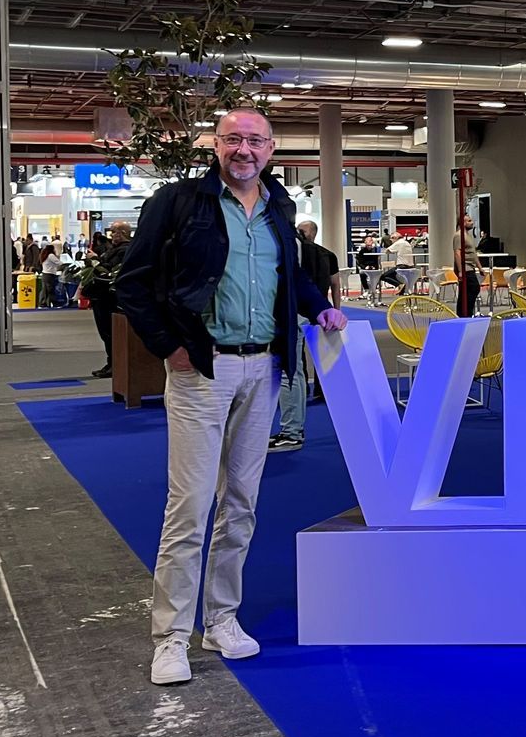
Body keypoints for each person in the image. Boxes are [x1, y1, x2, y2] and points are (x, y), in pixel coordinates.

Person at [116, 108, 345, 686]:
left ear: (271, 150)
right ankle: (171, 637)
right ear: (215, 145)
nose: (245, 150)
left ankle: (221, 619)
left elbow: (292, 278)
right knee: (190, 507)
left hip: (263, 368)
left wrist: (319, 307)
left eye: (255, 141)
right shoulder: (179, 202)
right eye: (234, 139)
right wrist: (168, 345)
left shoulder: (279, 207)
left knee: (241, 502)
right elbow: (133, 283)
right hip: (202, 368)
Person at [272, 219, 341, 452]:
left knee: (289, 371)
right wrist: (331, 308)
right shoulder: (324, 253)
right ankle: (294, 428)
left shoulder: (291, 247)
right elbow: (333, 283)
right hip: (310, 313)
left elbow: (297, 281)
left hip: (292, 314)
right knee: (296, 369)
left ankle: (291, 431)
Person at [85, 222, 132, 378]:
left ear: (122, 233)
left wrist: (95, 259)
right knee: (106, 333)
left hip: (109, 297)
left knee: (110, 333)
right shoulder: (114, 249)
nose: (111, 235)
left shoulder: (124, 250)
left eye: (113, 232)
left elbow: (109, 270)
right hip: (102, 295)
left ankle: (115, 364)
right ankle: (112, 363)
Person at [455, 214, 484, 315]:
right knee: (473, 288)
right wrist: (460, 270)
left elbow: (473, 253)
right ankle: (464, 313)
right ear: (463, 223)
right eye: (469, 221)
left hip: (470, 267)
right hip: (465, 268)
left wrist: (480, 267)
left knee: (468, 290)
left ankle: (466, 312)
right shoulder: (459, 236)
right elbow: (457, 253)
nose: (472, 223)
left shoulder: (468, 236)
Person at [385, 230, 417, 295]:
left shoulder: (398, 243)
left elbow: (387, 251)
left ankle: (399, 285)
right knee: (392, 274)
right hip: (410, 267)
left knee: (383, 276)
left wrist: (393, 251)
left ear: (395, 238)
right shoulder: (406, 243)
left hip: (402, 266)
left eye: (391, 239)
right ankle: (403, 288)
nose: (391, 241)